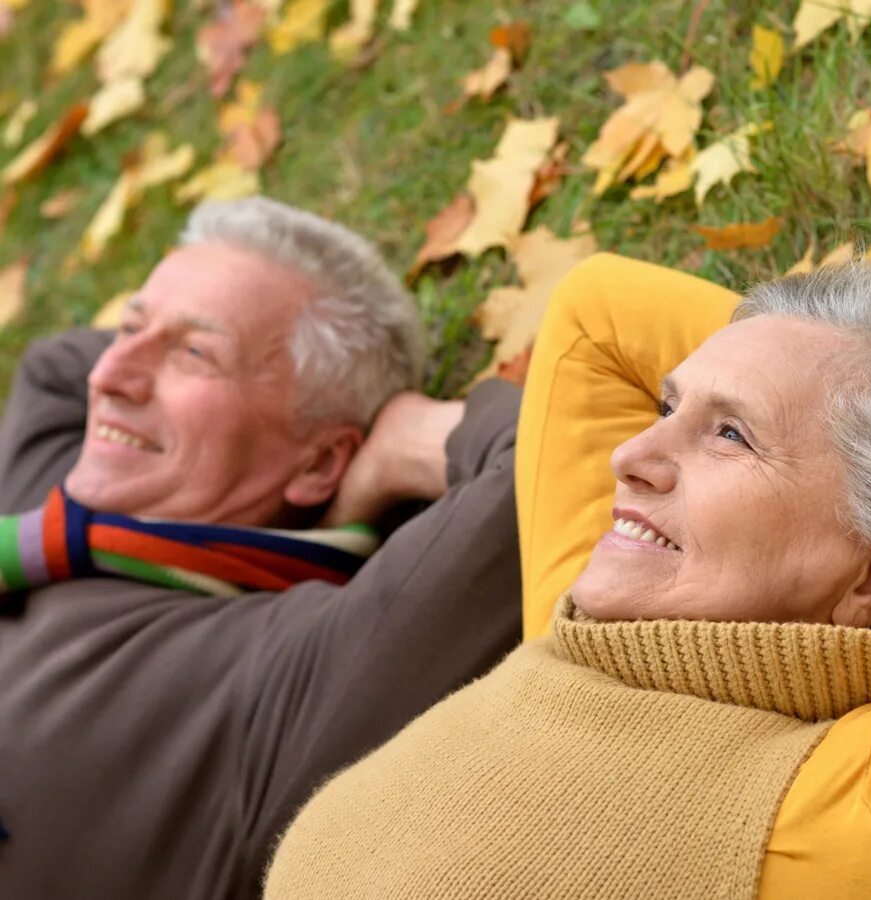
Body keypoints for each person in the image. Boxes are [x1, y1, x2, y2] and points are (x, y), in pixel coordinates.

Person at [265, 251, 871, 899]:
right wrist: (831, 362)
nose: (632, 453)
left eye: (729, 436)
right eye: (671, 406)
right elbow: (594, 316)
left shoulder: (868, 828)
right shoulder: (590, 619)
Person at [0, 198, 522, 900]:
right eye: (130, 326)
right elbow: (58, 367)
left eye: (195, 354)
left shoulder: (286, 675)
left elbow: (539, 474)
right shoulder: (53, 475)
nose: (111, 377)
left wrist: (399, 441)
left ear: (317, 463)